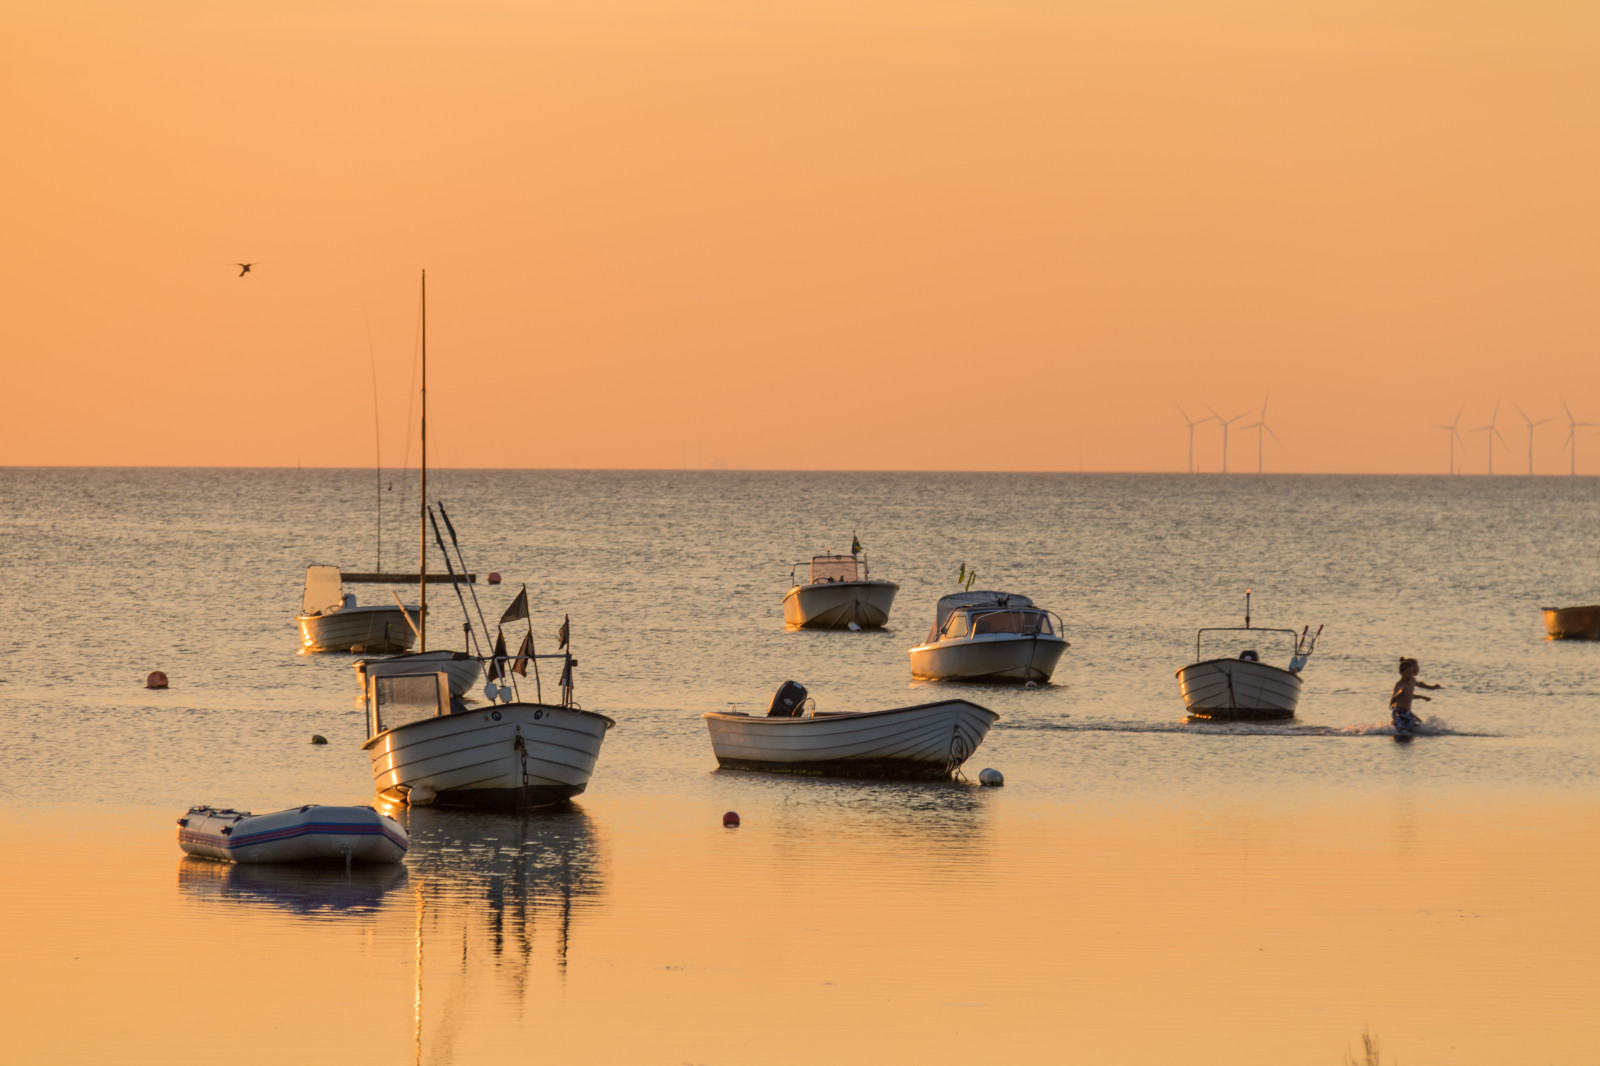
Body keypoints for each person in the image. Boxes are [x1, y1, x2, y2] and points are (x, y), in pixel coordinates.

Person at [1390, 657, 1441, 734]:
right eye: (1408, 673)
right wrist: (1400, 694)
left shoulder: (1412, 680)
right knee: (1403, 733)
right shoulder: (1399, 685)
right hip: (1399, 713)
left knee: (1421, 729)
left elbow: (1420, 685)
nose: (1410, 675)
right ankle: (1395, 724)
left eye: (1411, 673)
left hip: (1407, 712)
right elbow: (1393, 699)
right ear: (1402, 673)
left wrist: (1432, 687)